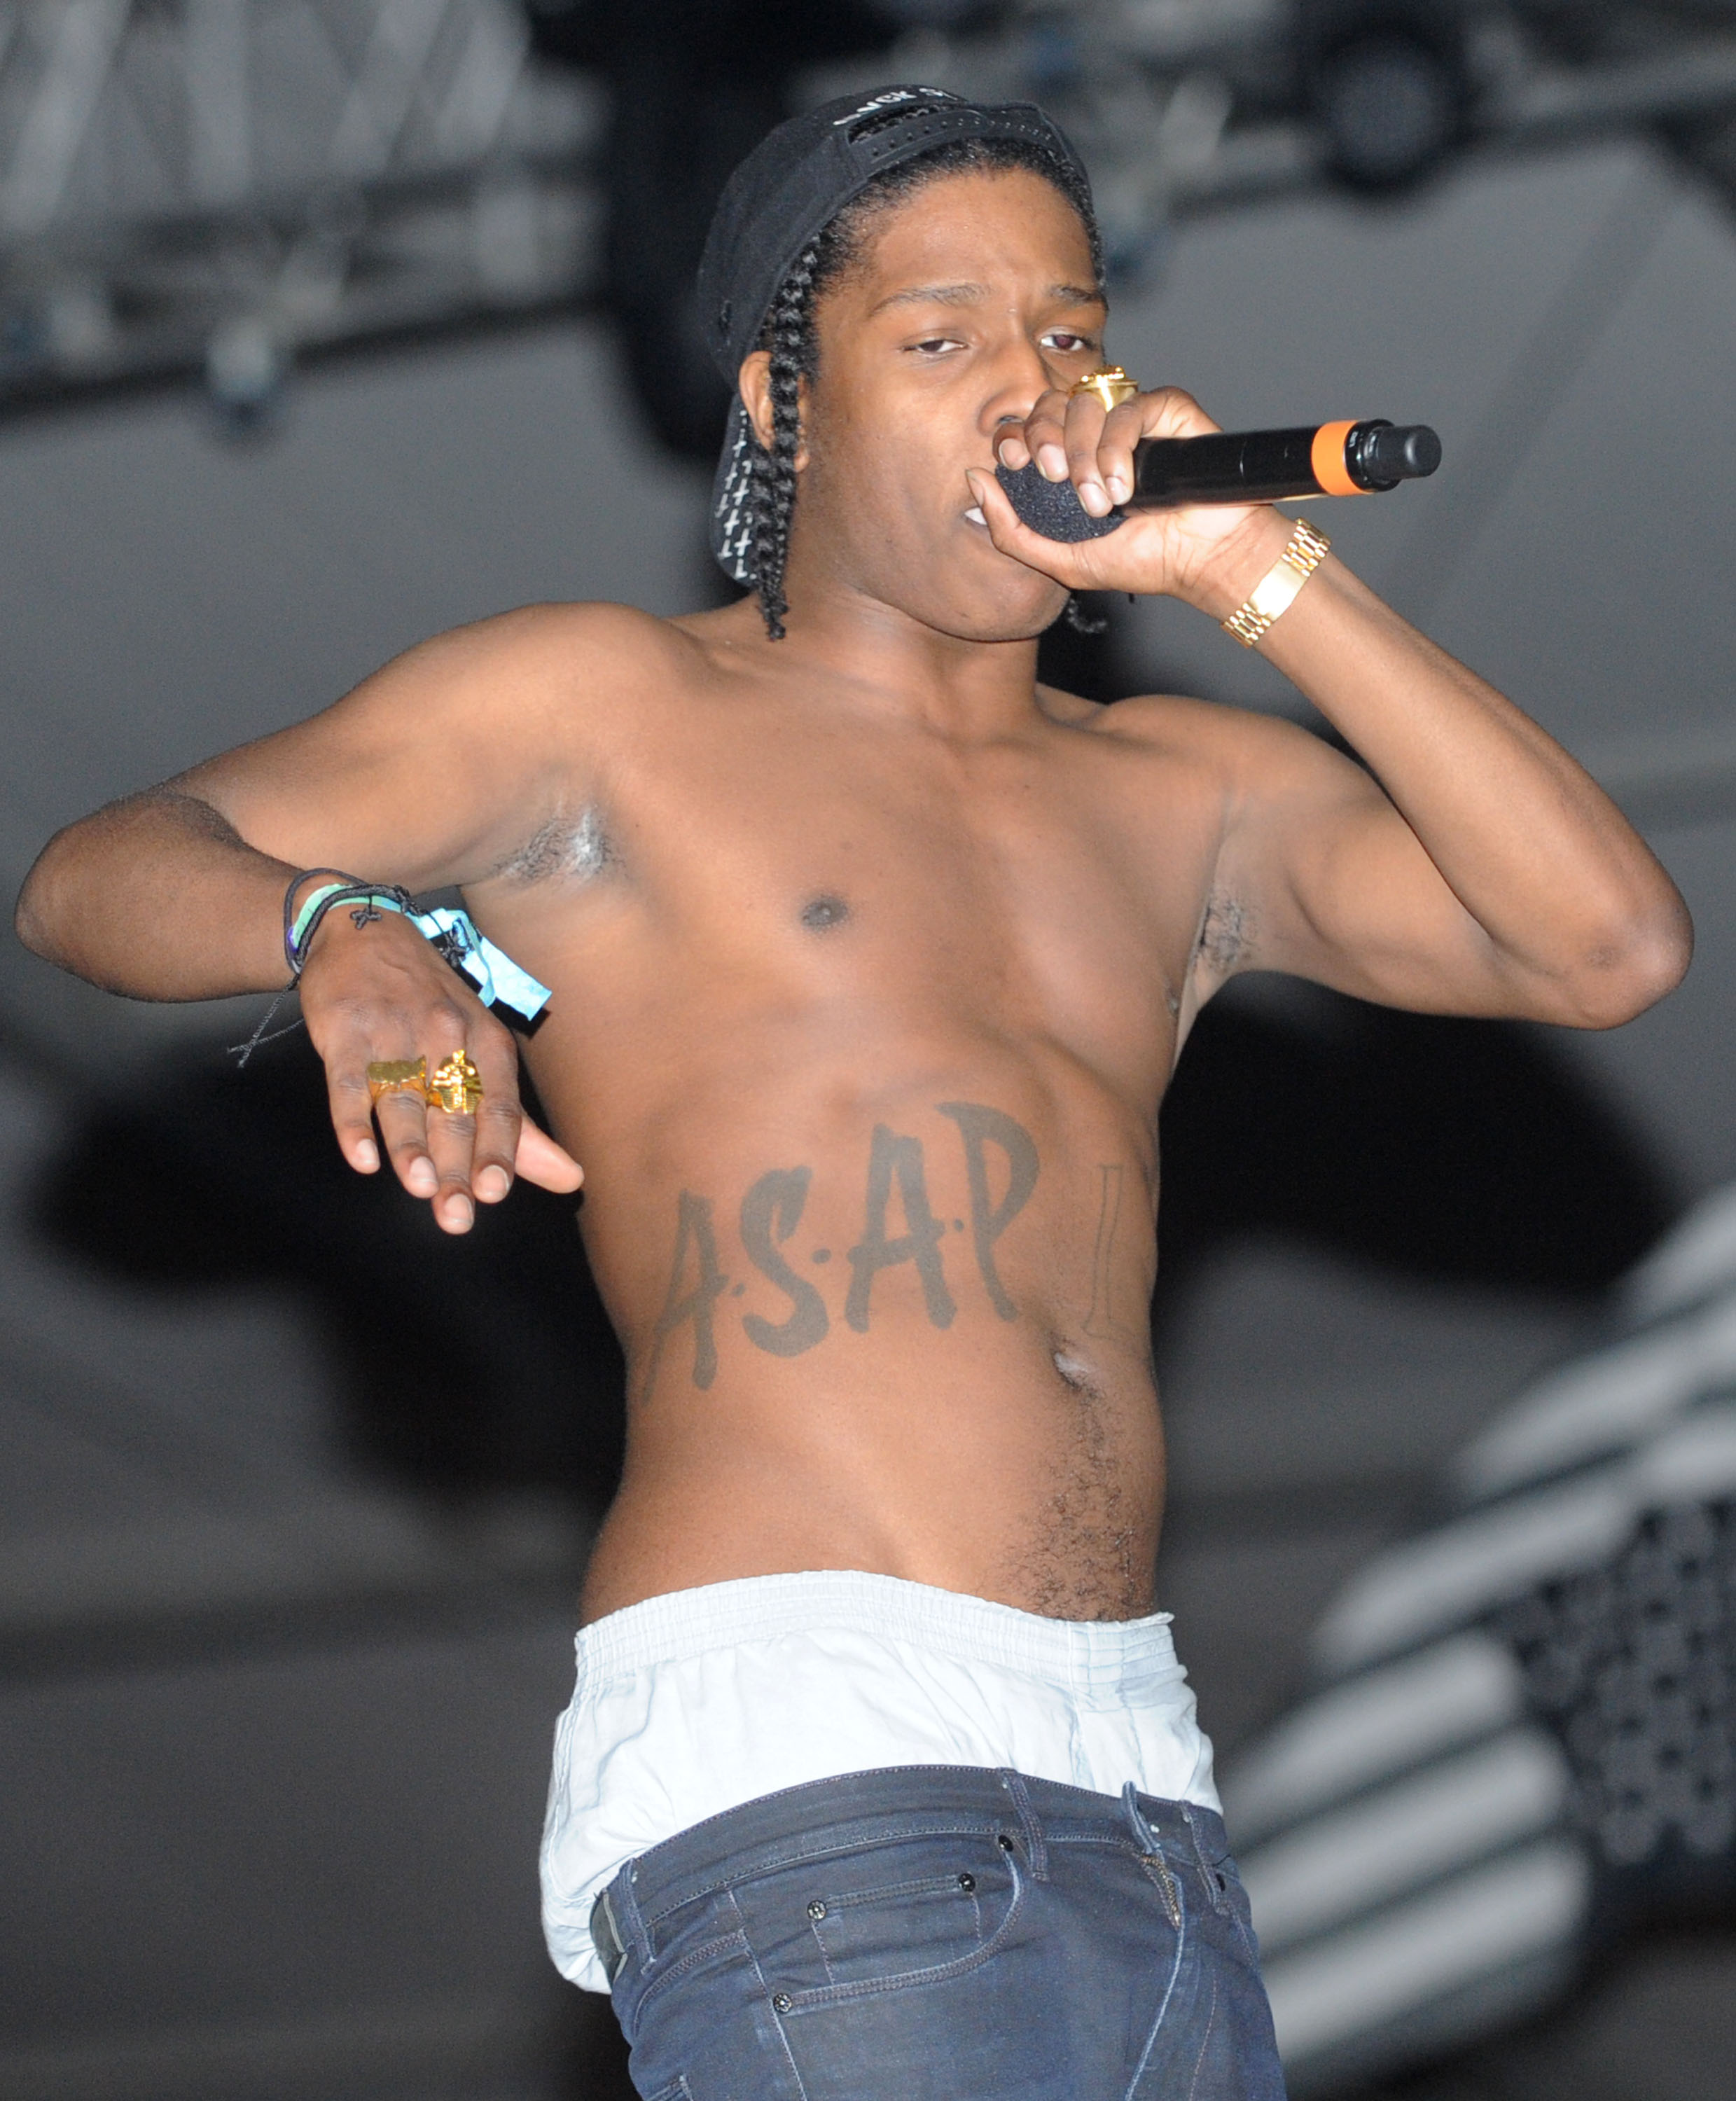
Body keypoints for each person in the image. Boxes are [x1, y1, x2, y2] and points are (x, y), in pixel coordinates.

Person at [15, 85, 1690, 2101]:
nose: (1030, 386)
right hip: (823, 1762)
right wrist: (339, 927)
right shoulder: (613, 712)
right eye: (941, 336)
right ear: (781, 400)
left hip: (1143, 1794)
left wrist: (1259, 569)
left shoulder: (1185, 800)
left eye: (1067, 332)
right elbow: (93, 871)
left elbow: (1604, 950)